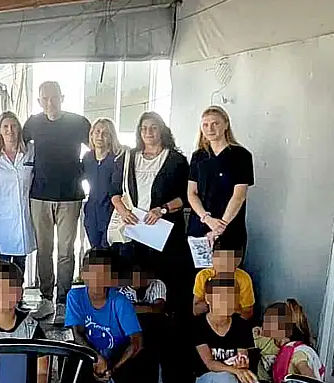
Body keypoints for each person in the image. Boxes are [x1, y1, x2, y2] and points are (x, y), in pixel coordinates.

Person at [65, 249, 170, 383]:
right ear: (83, 275)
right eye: (93, 273)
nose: (98, 280)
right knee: (69, 355)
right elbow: (77, 334)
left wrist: (113, 367)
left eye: (103, 274)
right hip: (91, 354)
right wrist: (96, 358)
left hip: (118, 357)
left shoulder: (120, 301)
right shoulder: (75, 296)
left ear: (111, 278)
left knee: (146, 357)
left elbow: (136, 341)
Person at [109, 112, 191, 312]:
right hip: (134, 229)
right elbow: (114, 192)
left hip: (164, 232)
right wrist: (124, 211)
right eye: (144, 128)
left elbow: (186, 197)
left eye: (153, 127)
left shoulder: (176, 160)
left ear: (162, 130)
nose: (148, 132)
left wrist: (162, 209)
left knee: (164, 279)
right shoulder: (128, 157)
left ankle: (164, 319)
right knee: (133, 279)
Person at [24, 81, 91, 324]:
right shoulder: (33, 123)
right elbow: (12, 142)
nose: (50, 102)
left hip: (70, 196)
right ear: (39, 101)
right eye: (45, 98)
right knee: (44, 250)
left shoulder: (78, 122)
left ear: (62, 97)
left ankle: (63, 301)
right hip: (39, 195)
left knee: (66, 251)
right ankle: (45, 299)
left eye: (54, 97)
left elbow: (98, 145)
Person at [186, 106, 254, 251]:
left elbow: (239, 196)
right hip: (200, 226)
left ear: (226, 125)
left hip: (229, 228)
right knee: (199, 266)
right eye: (205, 125)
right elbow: (192, 193)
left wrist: (219, 227)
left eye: (215, 123)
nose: (210, 128)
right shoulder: (198, 156)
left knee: (226, 266)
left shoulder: (241, 156)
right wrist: (207, 219)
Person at [0, 111, 36, 273]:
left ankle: (19, 290)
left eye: (13, 126)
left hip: (23, 218)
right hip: (1, 220)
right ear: (0, 130)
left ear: (19, 129)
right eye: (5, 127)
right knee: (1, 267)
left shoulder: (30, 151)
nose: (10, 130)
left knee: (20, 267)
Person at [82, 118, 123, 249]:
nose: (100, 136)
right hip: (92, 212)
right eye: (97, 132)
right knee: (95, 251)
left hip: (111, 212)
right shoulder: (87, 158)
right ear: (91, 134)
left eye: (105, 133)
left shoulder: (118, 159)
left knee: (109, 252)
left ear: (111, 137)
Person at [192, 248, 256, 320]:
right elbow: (196, 310)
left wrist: (232, 308)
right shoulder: (203, 276)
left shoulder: (243, 279)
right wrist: (212, 304)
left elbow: (248, 314)